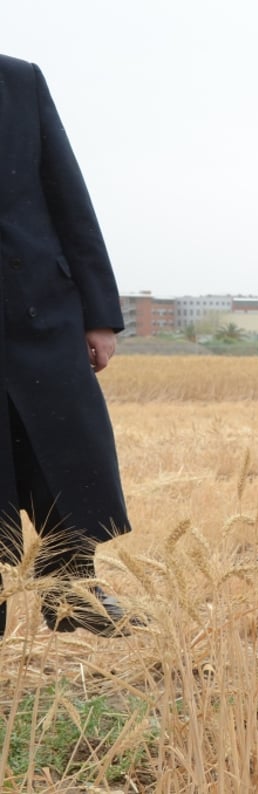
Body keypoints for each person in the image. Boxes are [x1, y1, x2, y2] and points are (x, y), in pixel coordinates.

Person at [0, 54, 142, 637]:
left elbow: (68, 195)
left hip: (39, 305)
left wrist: (99, 316)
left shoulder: (19, 81)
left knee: (67, 448)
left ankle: (73, 588)